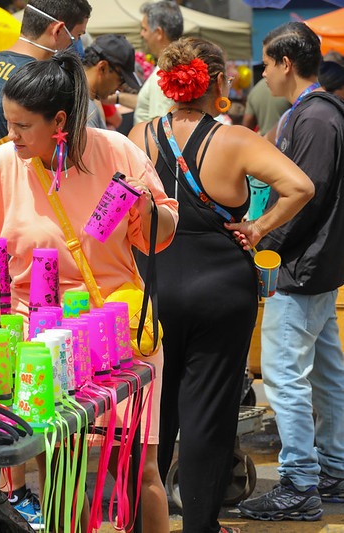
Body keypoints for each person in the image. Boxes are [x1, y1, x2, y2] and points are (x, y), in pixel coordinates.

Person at [0, 49, 176, 533]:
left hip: (119, 330)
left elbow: (160, 234)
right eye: (8, 122)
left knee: (139, 469)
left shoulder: (117, 152)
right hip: (41, 341)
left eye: (22, 125)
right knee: (61, 470)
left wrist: (147, 209)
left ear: (59, 120)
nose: (11, 134)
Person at [127, 36, 314, 533]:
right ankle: (201, 525)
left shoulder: (139, 134)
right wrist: (257, 227)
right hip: (220, 288)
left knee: (152, 414)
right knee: (208, 413)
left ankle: (145, 521)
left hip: (153, 285)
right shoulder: (236, 140)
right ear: (216, 83)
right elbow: (301, 186)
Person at [238, 21, 344, 522]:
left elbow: (305, 196)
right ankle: (333, 470)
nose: (263, 74)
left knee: (285, 379)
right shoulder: (317, 113)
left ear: (285, 62)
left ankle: (300, 482)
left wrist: (263, 239)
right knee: (324, 375)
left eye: (266, 64)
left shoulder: (316, 117)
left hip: (302, 268)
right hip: (317, 266)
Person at [0, 0, 92, 175]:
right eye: (77, 36)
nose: (75, 44)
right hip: (26, 189)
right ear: (58, 30)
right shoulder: (45, 84)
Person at [133, 1, 183, 124]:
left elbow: (162, 127)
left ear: (159, 33)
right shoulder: (178, 63)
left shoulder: (164, 72)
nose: (142, 34)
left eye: (144, 29)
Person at [81, 34, 141, 129]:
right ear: (103, 68)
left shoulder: (82, 99)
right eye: (121, 79)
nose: (120, 88)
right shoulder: (84, 109)